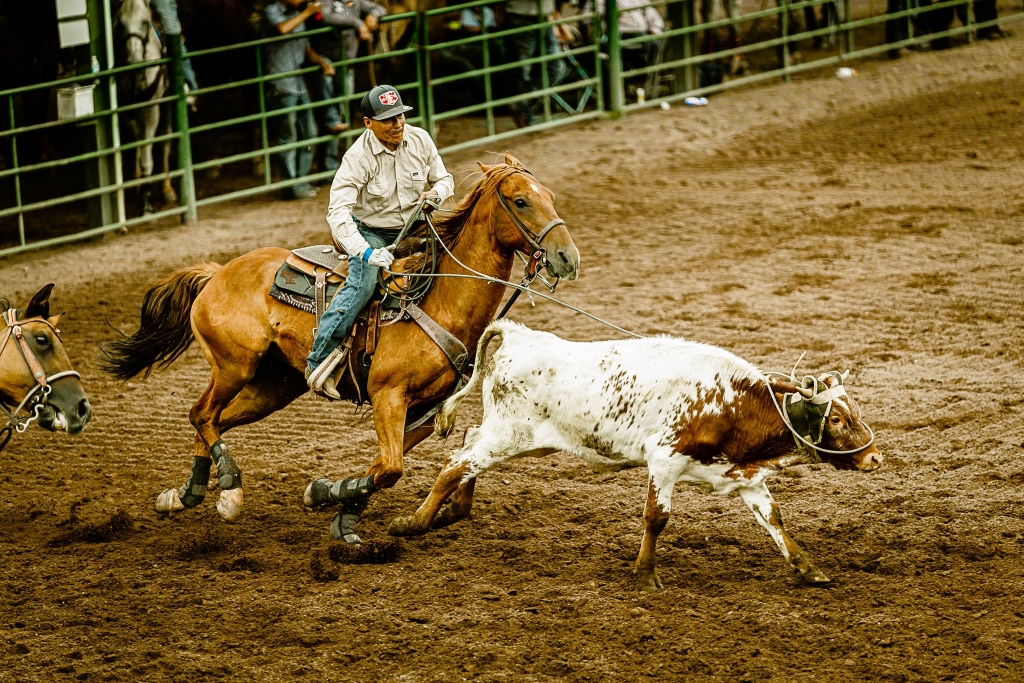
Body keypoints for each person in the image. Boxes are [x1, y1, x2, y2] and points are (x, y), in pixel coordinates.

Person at [306, 84, 455, 399]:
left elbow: (444, 179)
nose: (398, 124)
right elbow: (337, 213)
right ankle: (318, 360)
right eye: (388, 119)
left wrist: (436, 194)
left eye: (400, 116)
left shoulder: (420, 139)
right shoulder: (357, 158)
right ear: (368, 123)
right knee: (362, 284)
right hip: (371, 231)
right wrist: (367, 252)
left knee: (454, 262)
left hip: (414, 225)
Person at [263, 0, 335, 199]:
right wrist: (307, 12)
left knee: (309, 133)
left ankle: (300, 181)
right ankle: (290, 186)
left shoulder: (297, 13)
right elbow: (282, 29)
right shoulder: (271, 11)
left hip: (298, 83)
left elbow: (306, 47)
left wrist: (321, 62)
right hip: (280, 83)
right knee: (288, 136)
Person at [309, 0, 387, 173]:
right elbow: (325, 16)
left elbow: (379, 8)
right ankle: (328, 166)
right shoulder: (325, 1)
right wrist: (357, 22)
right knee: (331, 116)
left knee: (342, 113)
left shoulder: (355, 1)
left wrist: (373, 15)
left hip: (347, 63)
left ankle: (338, 164)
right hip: (326, 60)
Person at [504, 0, 570, 127]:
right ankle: (524, 116)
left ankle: (521, 105)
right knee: (523, 71)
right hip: (521, 17)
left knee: (555, 67)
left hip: (543, 17)